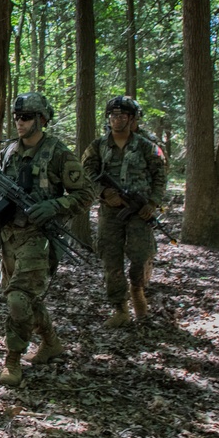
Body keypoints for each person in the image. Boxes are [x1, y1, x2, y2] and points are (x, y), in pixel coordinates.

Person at [0, 93, 94, 387]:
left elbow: (86, 193)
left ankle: (12, 361)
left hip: (38, 238)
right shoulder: (9, 152)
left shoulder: (58, 153)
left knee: (17, 300)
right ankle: (51, 342)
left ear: (41, 119)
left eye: (25, 117)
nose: (19, 122)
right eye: (16, 117)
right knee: (24, 300)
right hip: (8, 237)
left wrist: (56, 205)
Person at [82, 96, 166, 327]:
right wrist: (104, 192)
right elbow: (86, 173)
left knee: (141, 255)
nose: (117, 120)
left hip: (140, 212)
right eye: (113, 115)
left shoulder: (147, 146)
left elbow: (160, 175)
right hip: (111, 213)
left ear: (132, 119)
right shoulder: (98, 146)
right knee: (111, 259)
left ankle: (137, 290)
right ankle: (120, 308)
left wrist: (153, 202)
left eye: (122, 116)